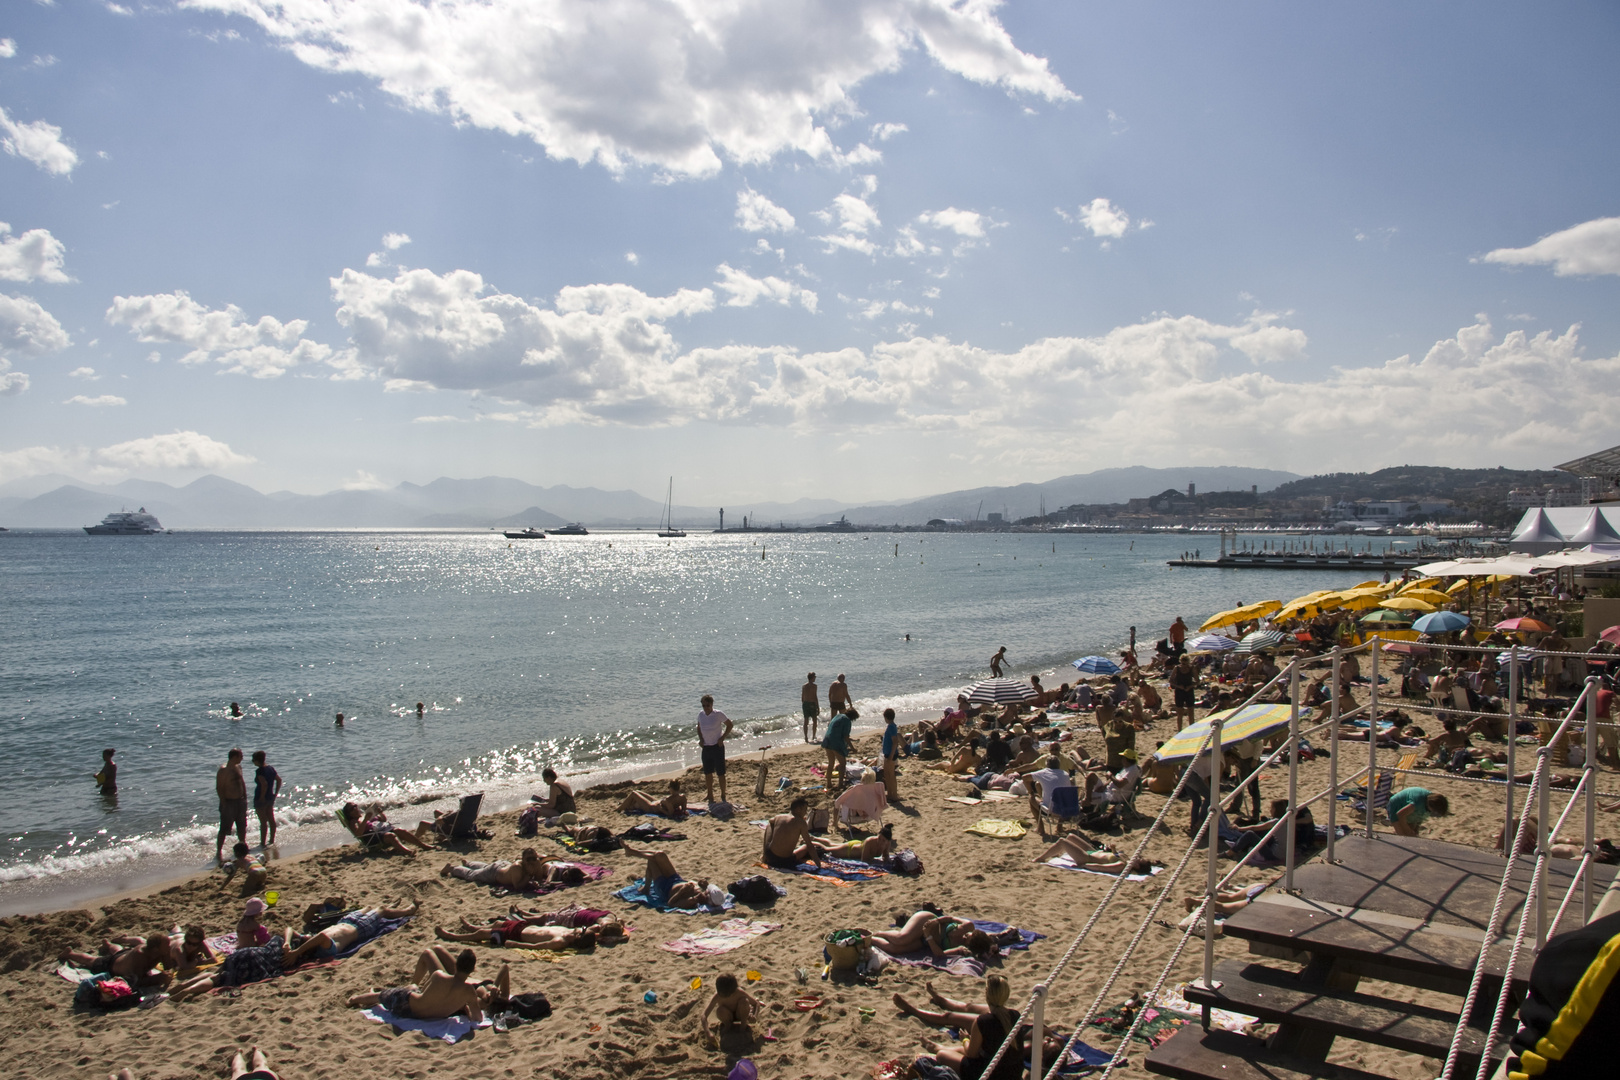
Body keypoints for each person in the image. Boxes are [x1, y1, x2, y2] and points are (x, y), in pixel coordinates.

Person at [909, 973, 1026, 1080]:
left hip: (989, 1074)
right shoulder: (1016, 1015)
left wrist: (964, 1039)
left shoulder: (982, 1021)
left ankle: (937, 1049)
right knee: (963, 1051)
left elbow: (971, 1054)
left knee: (942, 1056)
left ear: (987, 994)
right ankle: (935, 1047)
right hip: (1013, 1073)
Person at [346, 947, 504, 1022]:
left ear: (456, 965)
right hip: (433, 1016)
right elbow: (477, 1018)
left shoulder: (439, 976)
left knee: (381, 996)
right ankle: (368, 997)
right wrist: (465, 1008)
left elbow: (424, 993)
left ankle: (354, 999)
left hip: (408, 1007)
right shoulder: (469, 992)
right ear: (472, 970)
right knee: (401, 992)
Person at [283, 900, 420, 964]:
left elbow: (289, 929)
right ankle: (408, 910)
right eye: (306, 938)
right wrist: (297, 952)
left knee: (369, 907)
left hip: (346, 920)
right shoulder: (324, 949)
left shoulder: (310, 942)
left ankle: (390, 909)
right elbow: (321, 936)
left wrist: (287, 943)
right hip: (360, 927)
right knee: (382, 910)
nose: (307, 936)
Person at [868, 910, 995, 961]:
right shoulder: (967, 927)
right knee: (902, 939)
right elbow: (950, 918)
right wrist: (937, 921)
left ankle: (870, 939)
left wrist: (928, 937)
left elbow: (940, 954)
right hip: (927, 921)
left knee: (896, 949)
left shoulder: (960, 948)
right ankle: (879, 933)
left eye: (968, 938)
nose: (966, 935)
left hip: (926, 940)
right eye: (969, 935)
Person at [619, 842, 712, 908]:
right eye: (707, 893)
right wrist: (702, 883)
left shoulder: (694, 900)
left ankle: (646, 888)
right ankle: (632, 851)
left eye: (706, 895)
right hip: (676, 879)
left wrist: (683, 891)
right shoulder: (705, 891)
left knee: (652, 861)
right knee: (661, 855)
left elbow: (671, 903)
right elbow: (700, 886)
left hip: (664, 888)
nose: (705, 893)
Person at [62, 933, 172, 987]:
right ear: (156, 948)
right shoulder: (140, 956)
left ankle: (108, 944)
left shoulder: (161, 952)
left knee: (118, 951)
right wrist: (158, 978)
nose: (169, 946)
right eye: (167, 944)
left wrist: (167, 971)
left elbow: (168, 965)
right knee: (91, 960)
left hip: (124, 955)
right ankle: (70, 954)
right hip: (113, 966)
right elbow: (136, 981)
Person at [340, 802, 432, 856]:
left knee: (400, 831)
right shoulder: (354, 822)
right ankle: (408, 852)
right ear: (350, 813)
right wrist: (365, 820)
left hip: (381, 830)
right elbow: (358, 834)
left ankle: (423, 846)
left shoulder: (365, 816)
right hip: (372, 837)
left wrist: (380, 813)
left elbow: (383, 820)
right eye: (353, 808)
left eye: (356, 805)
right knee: (391, 836)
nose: (356, 808)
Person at [441, 848, 561, 889]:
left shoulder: (536, 864)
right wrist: (529, 875)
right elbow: (517, 886)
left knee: (484, 866)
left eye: (534, 859)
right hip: (494, 873)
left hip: (502, 865)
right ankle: (452, 868)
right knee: (472, 875)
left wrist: (537, 873)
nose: (532, 862)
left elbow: (540, 879)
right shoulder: (517, 868)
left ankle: (469, 862)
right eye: (528, 859)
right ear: (523, 860)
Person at [701, 973, 763, 1044]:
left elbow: (756, 1004)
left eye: (729, 995)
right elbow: (704, 1016)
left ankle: (743, 1026)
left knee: (744, 1001)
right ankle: (728, 1025)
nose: (726, 997)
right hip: (728, 1016)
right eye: (723, 995)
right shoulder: (717, 996)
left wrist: (754, 1016)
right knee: (720, 1011)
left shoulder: (739, 992)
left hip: (740, 1014)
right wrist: (707, 1032)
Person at [762, 797, 822, 868]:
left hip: (770, 856)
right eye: (805, 810)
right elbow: (809, 845)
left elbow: (771, 821)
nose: (805, 813)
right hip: (785, 860)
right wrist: (818, 864)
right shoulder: (801, 822)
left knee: (770, 824)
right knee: (805, 847)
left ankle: (764, 855)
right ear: (798, 809)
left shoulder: (779, 817)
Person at [696, 694, 733, 804]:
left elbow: (730, 725)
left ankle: (723, 794)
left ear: (711, 705)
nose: (705, 708)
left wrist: (722, 738)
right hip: (706, 747)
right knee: (708, 773)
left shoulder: (718, 714)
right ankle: (710, 794)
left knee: (720, 773)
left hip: (717, 747)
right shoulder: (701, 715)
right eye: (703, 705)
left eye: (707, 705)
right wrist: (701, 739)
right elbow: (698, 727)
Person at [215, 749, 249, 862]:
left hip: (240, 801)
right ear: (234, 756)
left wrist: (245, 797)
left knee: (242, 826)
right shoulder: (223, 770)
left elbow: (242, 782)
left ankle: (242, 847)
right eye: (241, 756)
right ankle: (219, 851)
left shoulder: (238, 767)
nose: (242, 758)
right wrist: (223, 802)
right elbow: (219, 787)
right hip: (229, 802)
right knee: (224, 828)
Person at [814, 822, 895, 862]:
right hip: (850, 850)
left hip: (859, 844)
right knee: (826, 849)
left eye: (883, 840)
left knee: (831, 844)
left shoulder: (887, 844)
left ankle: (813, 838)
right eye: (879, 838)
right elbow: (864, 859)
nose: (880, 841)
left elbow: (886, 856)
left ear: (888, 841)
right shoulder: (870, 841)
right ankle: (810, 843)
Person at [251, 750, 280, 847]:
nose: (252, 762)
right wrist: (275, 793)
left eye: (253, 760)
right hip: (270, 797)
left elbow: (264, 784)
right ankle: (271, 840)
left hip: (261, 798)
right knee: (271, 819)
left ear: (257, 760)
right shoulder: (270, 768)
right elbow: (279, 780)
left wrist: (262, 797)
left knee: (263, 822)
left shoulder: (259, 771)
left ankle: (263, 843)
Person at [821, 705, 855, 789]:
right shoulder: (847, 720)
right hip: (835, 743)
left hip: (827, 740)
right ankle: (840, 784)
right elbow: (846, 736)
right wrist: (853, 748)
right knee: (842, 763)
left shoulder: (837, 716)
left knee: (831, 763)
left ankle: (828, 783)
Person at [618, 779, 687, 818]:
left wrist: (661, 809)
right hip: (656, 802)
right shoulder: (683, 797)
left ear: (672, 788)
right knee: (638, 792)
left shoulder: (668, 800)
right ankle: (626, 805)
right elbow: (684, 810)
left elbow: (670, 814)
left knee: (633, 794)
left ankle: (618, 809)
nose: (669, 789)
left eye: (669, 787)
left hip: (651, 807)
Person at [1168, 656, 1196, 730]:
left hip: (1189, 691)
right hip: (1179, 691)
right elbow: (1171, 680)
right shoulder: (1177, 668)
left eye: (1186, 664)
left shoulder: (1191, 668)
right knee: (1179, 712)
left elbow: (1197, 681)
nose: (1184, 666)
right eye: (1183, 664)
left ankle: (1191, 728)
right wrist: (1178, 686)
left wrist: (1190, 686)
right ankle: (1179, 730)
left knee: (1191, 712)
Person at [881, 707, 901, 801]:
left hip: (890, 754)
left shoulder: (891, 727)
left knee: (890, 775)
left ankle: (892, 795)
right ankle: (892, 794)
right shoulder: (891, 726)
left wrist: (891, 756)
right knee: (888, 774)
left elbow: (895, 741)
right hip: (889, 753)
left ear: (886, 717)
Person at [802, 672, 821, 743]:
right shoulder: (814, 686)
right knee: (814, 721)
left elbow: (802, 697)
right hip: (812, 704)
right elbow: (815, 696)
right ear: (812, 677)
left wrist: (804, 704)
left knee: (806, 721)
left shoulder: (804, 686)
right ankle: (813, 735)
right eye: (814, 677)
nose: (815, 678)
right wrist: (817, 706)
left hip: (805, 704)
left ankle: (806, 737)